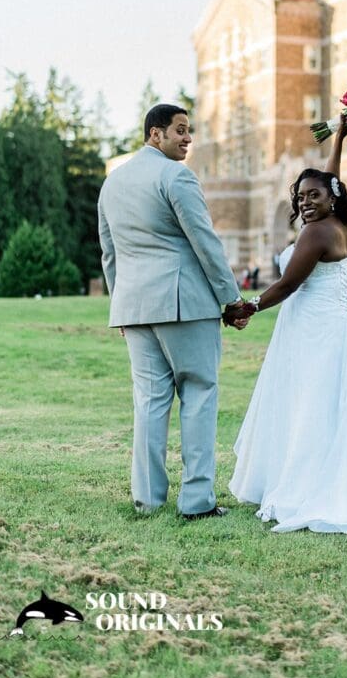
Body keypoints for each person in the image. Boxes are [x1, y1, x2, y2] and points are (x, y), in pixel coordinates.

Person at [229, 117, 347, 538]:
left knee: (312, 407)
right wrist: (339, 137)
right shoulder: (341, 223)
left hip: (316, 333)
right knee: (326, 406)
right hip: (333, 328)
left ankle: (312, 487)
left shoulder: (317, 234)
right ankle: (332, 479)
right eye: (299, 197)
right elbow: (331, 179)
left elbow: (287, 284)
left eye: (312, 196)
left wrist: (248, 307)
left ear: (330, 199)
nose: (305, 203)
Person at [97, 104, 248, 520]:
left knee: (149, 402)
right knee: (199, 393)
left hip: (134, 306)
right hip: (184, 303)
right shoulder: (176, 175)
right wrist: (231, 298)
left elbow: (109, 253)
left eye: (190, 131)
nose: (187, 138)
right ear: (154, 134)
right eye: (179, 130)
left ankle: (147, 499)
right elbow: (204, 240)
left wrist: (120, 305)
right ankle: (197, 502)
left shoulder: (113, 183)